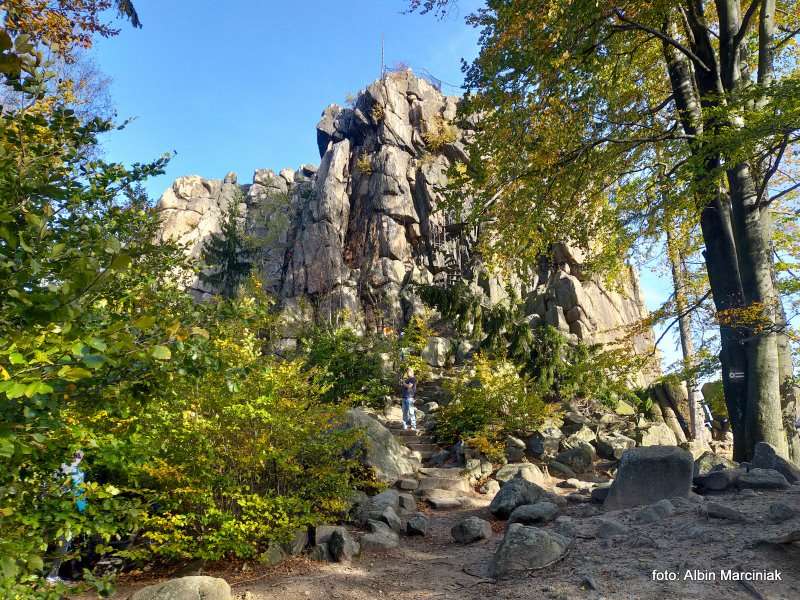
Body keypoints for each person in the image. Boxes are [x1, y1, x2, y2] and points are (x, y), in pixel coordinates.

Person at [46, 450, 88, 585]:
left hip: (63, 512)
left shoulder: (74, 470)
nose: (78, 458)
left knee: (63, 543)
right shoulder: (64, 470)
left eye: (79, 456)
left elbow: (79, 493)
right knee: (62, 542)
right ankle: (51, 576)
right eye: (76, 455)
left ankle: (52, 574)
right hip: (64, 513)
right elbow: (76, 492)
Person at [401, 368, 417, 432]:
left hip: (409, 397)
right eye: (407, 372)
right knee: (404, 412)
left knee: (411, 412)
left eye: (408, 372)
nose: (407, 373)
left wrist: (403, 383)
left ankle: (413, 426)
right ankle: (405, 426)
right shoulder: (407, 379)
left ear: (411, 372)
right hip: (404, 397)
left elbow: (409, 386)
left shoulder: (413, 379)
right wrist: (403, 383)